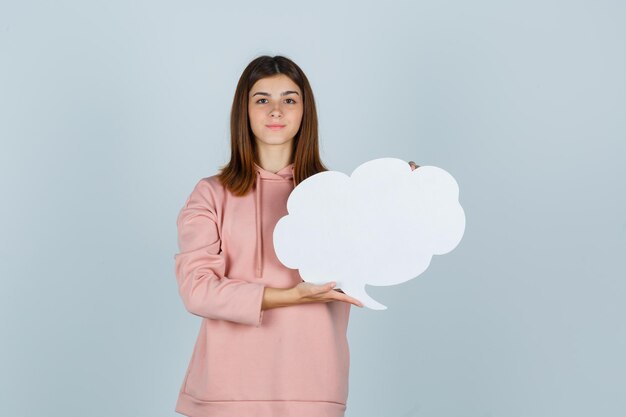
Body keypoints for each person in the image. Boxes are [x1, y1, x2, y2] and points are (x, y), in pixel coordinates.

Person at [173, 55, 418, 417]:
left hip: (314, 387)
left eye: (289, 99)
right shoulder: (211, 194)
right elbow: (197, 291)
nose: (276, 111)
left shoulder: (340, 196)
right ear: (244, 110)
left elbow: (376, 249)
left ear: (305, 111)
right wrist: (290, 296)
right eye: (262, 100)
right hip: (225, 391)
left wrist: (396, 195)